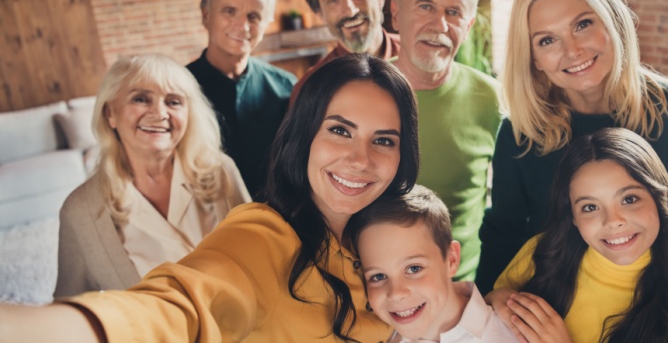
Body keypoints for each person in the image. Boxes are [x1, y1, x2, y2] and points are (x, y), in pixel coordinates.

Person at [0, 54, 419, 343]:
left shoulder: (396, 231)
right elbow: (184, 301)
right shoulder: (266, 236)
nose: (360, 159)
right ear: (305, 134)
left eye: (384, 140)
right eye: (340, 130)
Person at [474, 0, 668, 340]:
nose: (573, 50)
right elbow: (503, 232)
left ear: (612, 20)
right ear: (533, 58)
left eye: (582, 24)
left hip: (650, 314)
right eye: (547, 40)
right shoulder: (522, 133)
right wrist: (487, 306)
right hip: (553, 314)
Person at [488, 127, 668, 343]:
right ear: (573, 216)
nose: (613, 221)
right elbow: (487, 314)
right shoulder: (541, 253)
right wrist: (498, 297)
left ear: (660, 199)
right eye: (590, 207)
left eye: (629, 199)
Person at [55, 54, 251, 297]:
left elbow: (257, 252)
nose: (159, 113)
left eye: (174, 102)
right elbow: (70, 303)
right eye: (140, 99)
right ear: (110, 114)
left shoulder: (221, 171)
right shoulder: (80, 210)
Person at [391, 0, 501, 281]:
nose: (439, 25)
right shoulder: (360, 94)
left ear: (467, 27)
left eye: (453, 12)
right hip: (376, 292)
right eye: (425, 6)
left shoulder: (493, 99)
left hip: (467, 289)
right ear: (395, 14)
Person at [347, 184, 517, 343]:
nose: (396, 294)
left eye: (414, 268)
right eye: (378, 276)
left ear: (451, 260)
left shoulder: (514, 334)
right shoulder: (369, 336)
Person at [186, 0, 296, 199]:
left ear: (265, 25)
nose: (243, 26)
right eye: (229, 11)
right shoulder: (178, 90)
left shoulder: (287, 87)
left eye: (253, 16)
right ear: (206, 15)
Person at [289, 0, 401, 106]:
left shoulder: (419, 54)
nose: (350, 10)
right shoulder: (309, 90)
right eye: (332, 0)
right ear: (320, 14)